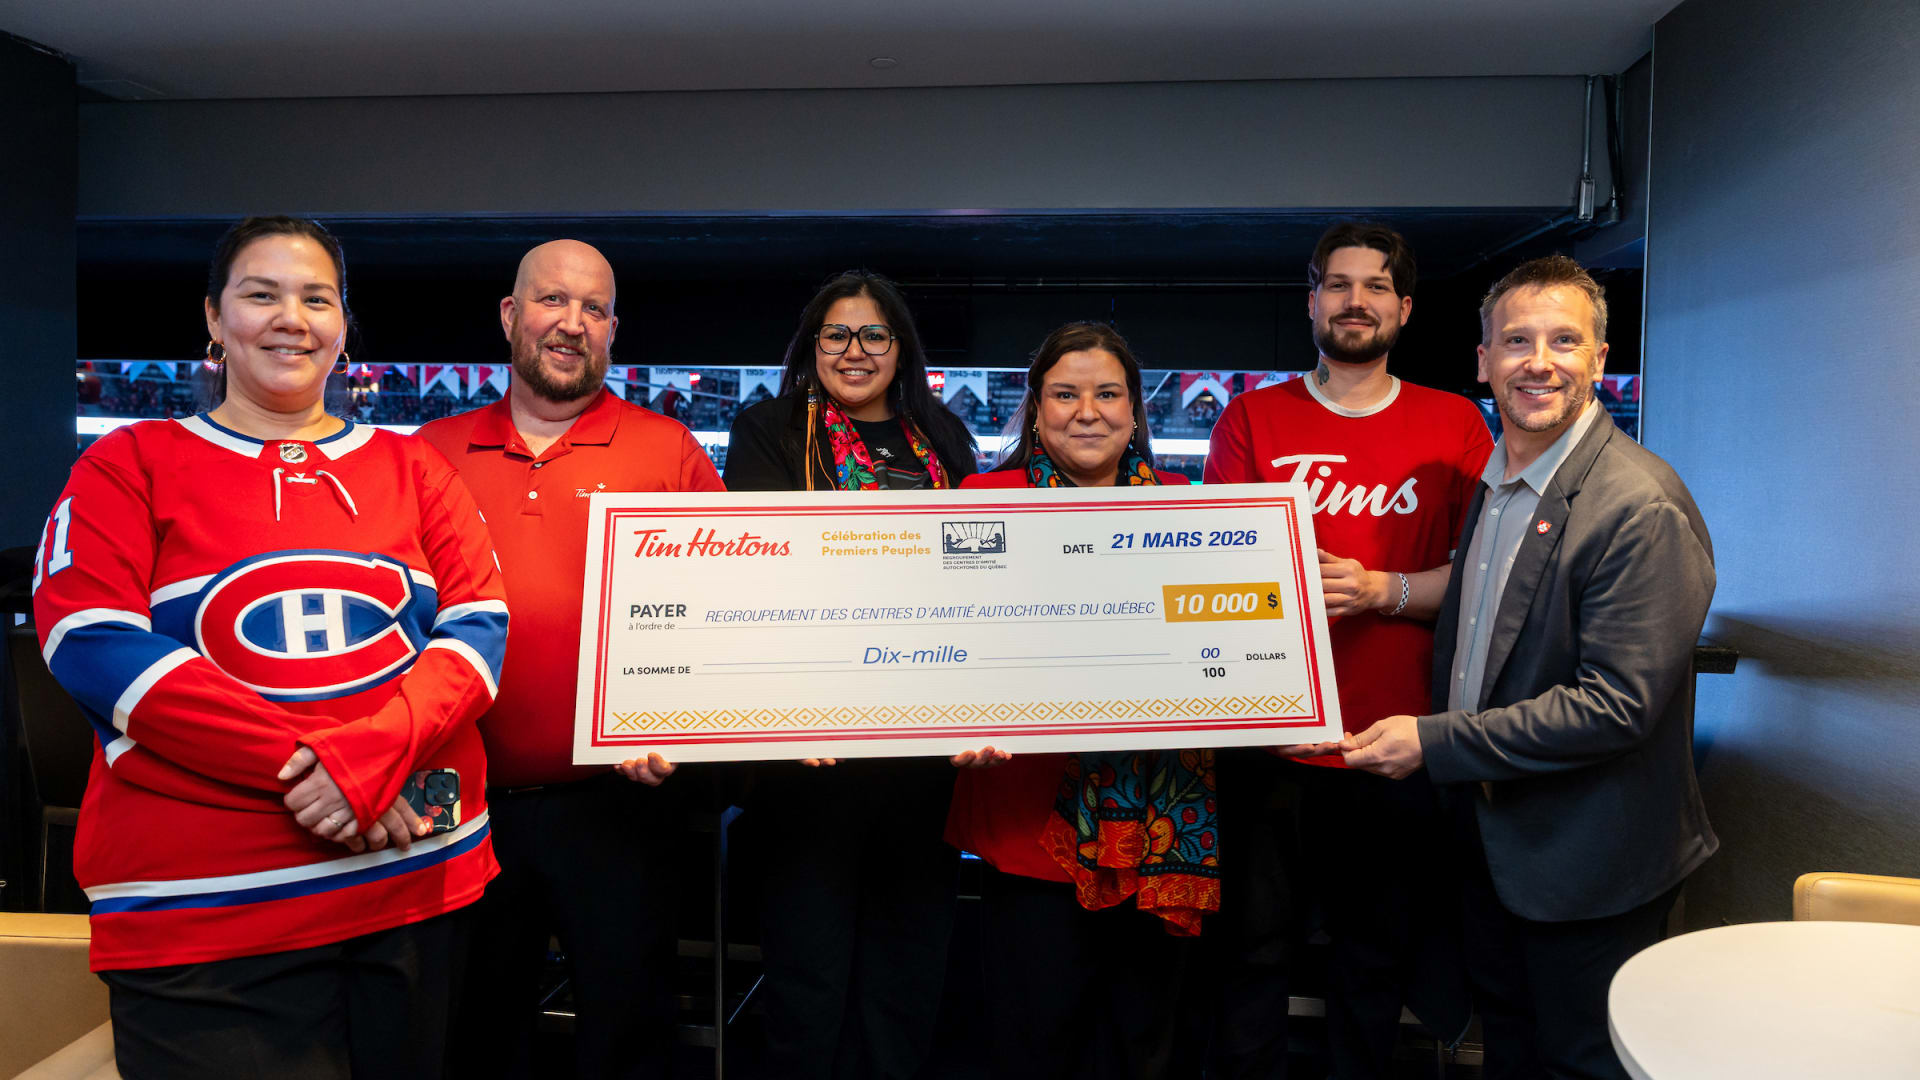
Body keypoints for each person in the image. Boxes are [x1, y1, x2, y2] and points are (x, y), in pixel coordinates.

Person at [30, 216, 508, 1077]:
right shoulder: (128, 464)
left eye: (317, 299)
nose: (292, 318)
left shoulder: (414, 469)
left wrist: (369, 757)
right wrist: (327, 768)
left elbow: (479, 630)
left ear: (344, 325)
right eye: (262, 294)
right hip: (206, 913)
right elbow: (90, 641)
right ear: (214, 317)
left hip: (414, 885)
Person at [1344, 255, 1717, 1080]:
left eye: (1564, 341)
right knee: (1509, 1048)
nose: (1538, 362)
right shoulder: (1498, 482)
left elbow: (1616, 707)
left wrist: (1433, 742)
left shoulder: (1638, 506)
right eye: (1517, 341)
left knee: (1580, 1062)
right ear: (1483, 361)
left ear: (1600, 359)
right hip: (1496, 844)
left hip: (1589, 863)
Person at [420, 240, 724, 1079]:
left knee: (629, 1035)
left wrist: (679, 726)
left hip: (619, 807)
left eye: (594, 309)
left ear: (613, 331)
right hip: (464, 804)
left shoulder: (669, 451)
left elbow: (720, 620)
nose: (572, 323)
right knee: (475, 1034)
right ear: (511, 315)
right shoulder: (429, 452)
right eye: (553, 300)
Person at [1201, 223, 1491, 1077]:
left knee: (1375, 965)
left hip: (1396, 744)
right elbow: (1212, 566)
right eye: (1338, 284)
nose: (1355, 301)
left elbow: (1481, 579)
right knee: (1252, 955)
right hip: (1273, 741)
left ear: (1405, 308)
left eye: (1375, 287)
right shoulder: (1253, 418)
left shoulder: (1455, 423)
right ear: (1312, 301)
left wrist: (1379, 590)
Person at [723, 270, 977, 1080]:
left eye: (874, 334)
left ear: (901, 348)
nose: (854, 350)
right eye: (836, 334)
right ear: (812, 345)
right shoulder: (768, 429)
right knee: (809, 979)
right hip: (813, 754)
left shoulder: (943, 436)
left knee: (906, 975)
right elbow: (762, 570)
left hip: (922, 753)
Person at [945, 321, 1206, 1080]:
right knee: (1036, 1037)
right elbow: (949, 637)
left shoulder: (1193, 506)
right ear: (1036, 410)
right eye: (1065, 394)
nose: (1087, 411)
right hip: (1029, 816)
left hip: (1157, 820)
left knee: (1142, 1041)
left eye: (1107, 394)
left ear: (1135, 413)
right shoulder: (982, 500)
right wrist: (953, 711)